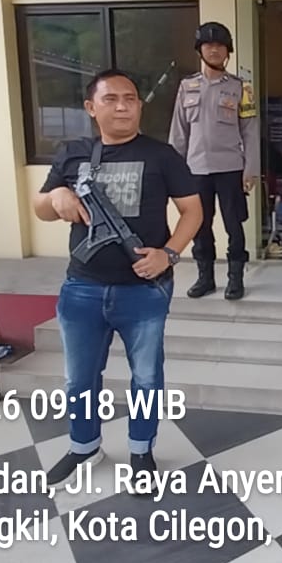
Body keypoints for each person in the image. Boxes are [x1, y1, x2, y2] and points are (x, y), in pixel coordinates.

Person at [35, 69, 203, 487]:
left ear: (139, 105)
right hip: (82, 287)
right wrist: (56, 195)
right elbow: (40, 208)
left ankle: (141, 450)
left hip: (143, 290)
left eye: (130, 98)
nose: (123, 106)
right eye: (110, 99)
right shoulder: (73, 153)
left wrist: (168, 254)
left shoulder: (162, 156)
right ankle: (83, 446)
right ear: (91, 107)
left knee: (146, 378)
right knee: (79, 378)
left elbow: (193, 211)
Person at [169, 21, 260, 300]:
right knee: (200, 225)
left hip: (231, 169)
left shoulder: (241, 88)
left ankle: (235, 279)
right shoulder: (187, 86)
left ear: (228, 51)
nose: (214, 50)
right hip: (195, 170)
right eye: (208, 45)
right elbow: (179, 131)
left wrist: (251, 169)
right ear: (200, 50)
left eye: (220, 45)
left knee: (234, 225)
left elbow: (250, 131)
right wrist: (174, 171)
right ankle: (205, 278)